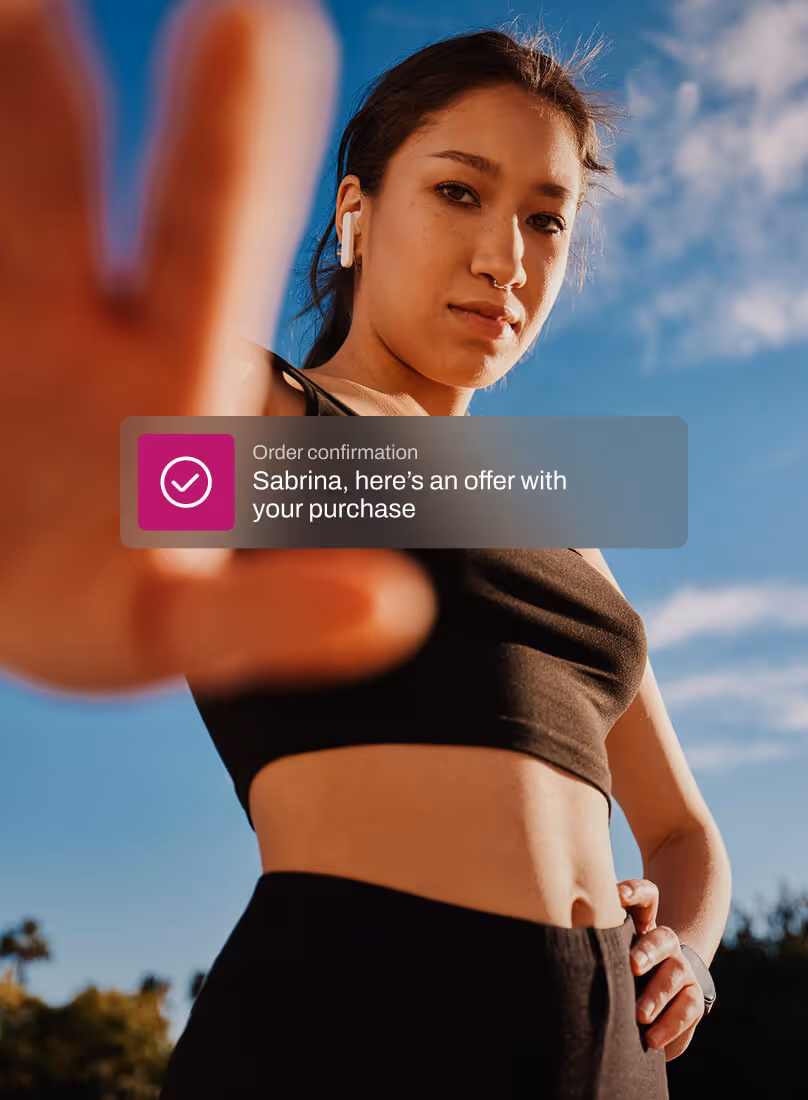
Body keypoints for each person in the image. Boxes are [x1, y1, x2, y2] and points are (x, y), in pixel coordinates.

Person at [0, 2, 731, 1097]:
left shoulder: (563, 504)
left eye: (546, 218)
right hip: (356, 1024)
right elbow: (123, 443)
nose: (505, 257)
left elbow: (679, 829)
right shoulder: (271, 415)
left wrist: (686, 949)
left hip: (614, 1062)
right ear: (355, 213)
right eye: (457, 190)